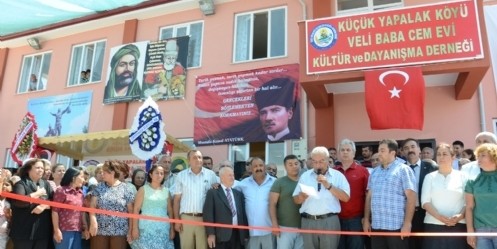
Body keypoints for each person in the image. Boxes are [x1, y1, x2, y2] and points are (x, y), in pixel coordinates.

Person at [363, 139, 416, 249]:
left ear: (392, 153)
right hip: (377, 226)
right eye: (378, 150)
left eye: (382, 150)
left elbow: (411, 198)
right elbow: (369, 198)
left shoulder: (403, 170)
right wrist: (367, 220)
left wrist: (407, 224)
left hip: (396, 227)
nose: (379, 154)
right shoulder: (374, 172)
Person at [293, 146, 350, 249]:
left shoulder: (338, 176)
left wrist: (328, 185)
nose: (318, 165)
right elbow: (296, 199)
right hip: (308, 221)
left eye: (321, 161)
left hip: (329, 221)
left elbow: (345, 198)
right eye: (315, 162)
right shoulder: (305, 176)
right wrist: (302, 196)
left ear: (328, 160)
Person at [421, 143, 467, 249]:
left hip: (458, 225)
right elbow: (425, 202)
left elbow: (468, 201)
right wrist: (439, 217)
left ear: (453, 157)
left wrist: (460, 216)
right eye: (439, 154)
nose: (441, 157)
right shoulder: (429, 177)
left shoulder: (463, 176)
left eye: (445, 154)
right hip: (433, 225)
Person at [173, 150, 218, 249]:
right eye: (194, 157)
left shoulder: (211, 175)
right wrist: (176, 220)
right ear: (188, 161)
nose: (198, 159)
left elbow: (216, 197)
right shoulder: (181, 176)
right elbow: (176, 200)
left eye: (200, 157)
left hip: (204, 219)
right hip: (186, 219)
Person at [89, 160, 135, 249]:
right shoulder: (99, 187)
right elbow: (92, 206)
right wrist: (93, 221)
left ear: (112, 173)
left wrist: (130, 231)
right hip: (100, 230)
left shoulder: (126, 189)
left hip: (119, 232)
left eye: (104, 172)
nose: (102, 174)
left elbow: (131, 212)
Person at [10, 158, 54, 248]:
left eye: (42, 168)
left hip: (42, 230)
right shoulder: (20, 184)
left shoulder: (46, 184)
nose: (41, 170)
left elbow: (54, 201)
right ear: (28, 169)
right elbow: (19, 202)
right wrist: (36, 194)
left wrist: (43, 206)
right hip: (23, 231)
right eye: (38, 167)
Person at [402, 138, 437, 249]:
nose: (410, 150)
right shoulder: (399, 169)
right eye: (406, 148)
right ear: (402, 152)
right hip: (404, 214)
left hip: (425, 213)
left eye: (413, 147)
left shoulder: (431, 168)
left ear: (419, 150)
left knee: (426, 244)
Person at [334, 139, 369, 249]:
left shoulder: (362, 171)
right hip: (336, 219)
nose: (345, 152)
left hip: (356, 220)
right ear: (339, 153)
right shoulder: (333, 172)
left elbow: (368, 196)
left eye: (348, 150)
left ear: (353, 153)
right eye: (342, 150)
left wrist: (366, 217)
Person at [235, 157, 276, 249]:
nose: (258, 168)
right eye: (255, 166)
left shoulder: (274, 182)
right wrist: (217, 185)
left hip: (269, 230)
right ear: (250, 168)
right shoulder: (243, 184)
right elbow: (229, 191)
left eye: (261, 165)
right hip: (251, 232)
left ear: (264, 167)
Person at [203, 166, 248, 249]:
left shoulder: (238, 194)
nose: (232, 178)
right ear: (222, 177)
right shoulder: (213, 193)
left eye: (233, 175)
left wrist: (245, 234)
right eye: (229, 175)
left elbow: (242, 215)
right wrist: (211, 234)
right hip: (221, 236)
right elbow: (208, 215)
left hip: (238, 235)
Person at [131, 164, 174, 249]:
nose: (159, 175)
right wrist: (134, 228)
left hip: (163, 229)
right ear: (151, 175)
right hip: (146, 229)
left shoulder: (166, 191)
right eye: (157, 173)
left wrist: (172, 229)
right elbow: (136, 210)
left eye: (161, 173)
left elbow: (170, 211)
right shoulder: (143, 189)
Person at [465, 143, 497, 249]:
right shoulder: (472, 181)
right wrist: (470, 231)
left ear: (494, 156)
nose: (479, 158)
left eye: (483, 155)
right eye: (478, 155)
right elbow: (469, 207)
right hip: (480, 230)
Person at [269, 155, 303, 249]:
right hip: (284, 228)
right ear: (285, 166)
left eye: (296, 164)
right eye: (290, 164)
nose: (294, 166)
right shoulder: (279, 182)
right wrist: (274, 224)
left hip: (303, 227)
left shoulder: (305, 181)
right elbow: (272, 204)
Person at [52, 167, 88, 249]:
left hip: (77, 230)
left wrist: (85, 228)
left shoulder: (81, 193)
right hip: (64, 230)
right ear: (73, 177)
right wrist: (56, 230)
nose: (84, 180)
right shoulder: (61, 191)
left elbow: (82, 212)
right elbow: (55, 211)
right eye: (82, 177)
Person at [253, 77, 299, 142]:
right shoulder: (256, 143)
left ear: (290, 113)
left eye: (275, 110)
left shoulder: (296, 140)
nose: (268, 118)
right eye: (263, 113)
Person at [0, 179, 13, 249]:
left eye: (7, 185)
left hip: (5, 238)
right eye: (3, 184)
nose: (4, 186)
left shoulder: (13, 204)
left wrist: (9, 217)